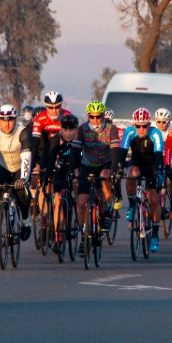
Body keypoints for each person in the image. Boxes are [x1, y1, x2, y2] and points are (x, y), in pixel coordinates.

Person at [116, 107, 165, 252]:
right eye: (138, 126)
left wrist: (158, 173)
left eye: (144, 126)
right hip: (137, 163)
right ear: (134, 124)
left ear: (149, 125)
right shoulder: (129, 132)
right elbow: (122, 153)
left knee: (154, 200)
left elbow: (158, 157)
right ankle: (132, 205)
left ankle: (155, 236)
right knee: (131, 173)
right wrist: (119, 169)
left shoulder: (155, 134)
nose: (141, 129)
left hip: (152, 166)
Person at [0, 104, 33, 250]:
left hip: (19, 168)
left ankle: (25, 220)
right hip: (3, 168)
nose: (7, 123)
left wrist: (23, 178)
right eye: (4, 120)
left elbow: (26, 159)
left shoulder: (23, 132)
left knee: (21, 195)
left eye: (10, 120)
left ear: (15, 119)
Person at [75, 100, 120, 247]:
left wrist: (113, 170)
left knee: (105, 177)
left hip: (105, 163)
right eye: (92, 117)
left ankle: (107, 211)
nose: (95, 120)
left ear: (103, 116)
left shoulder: (111, 129)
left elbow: (114, 152)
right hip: (87, 165)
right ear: (88, 116)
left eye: (98, 117)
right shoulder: (81, 129)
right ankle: (83, 236)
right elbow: (75, 151)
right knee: (81, 202)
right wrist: (73, 170)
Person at [43, 112, 82, 252]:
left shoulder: (80, 140)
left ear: (76, 129)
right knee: (58, 199)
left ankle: (79, 209)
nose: (68, 133)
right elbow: (50, 160)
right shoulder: (55, 140)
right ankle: (58, 233)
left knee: (77, 183)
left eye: (72, 130)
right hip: (60, 171)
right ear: (61, 129)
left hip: (76, 170)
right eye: (65, 130)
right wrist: (45, 177)